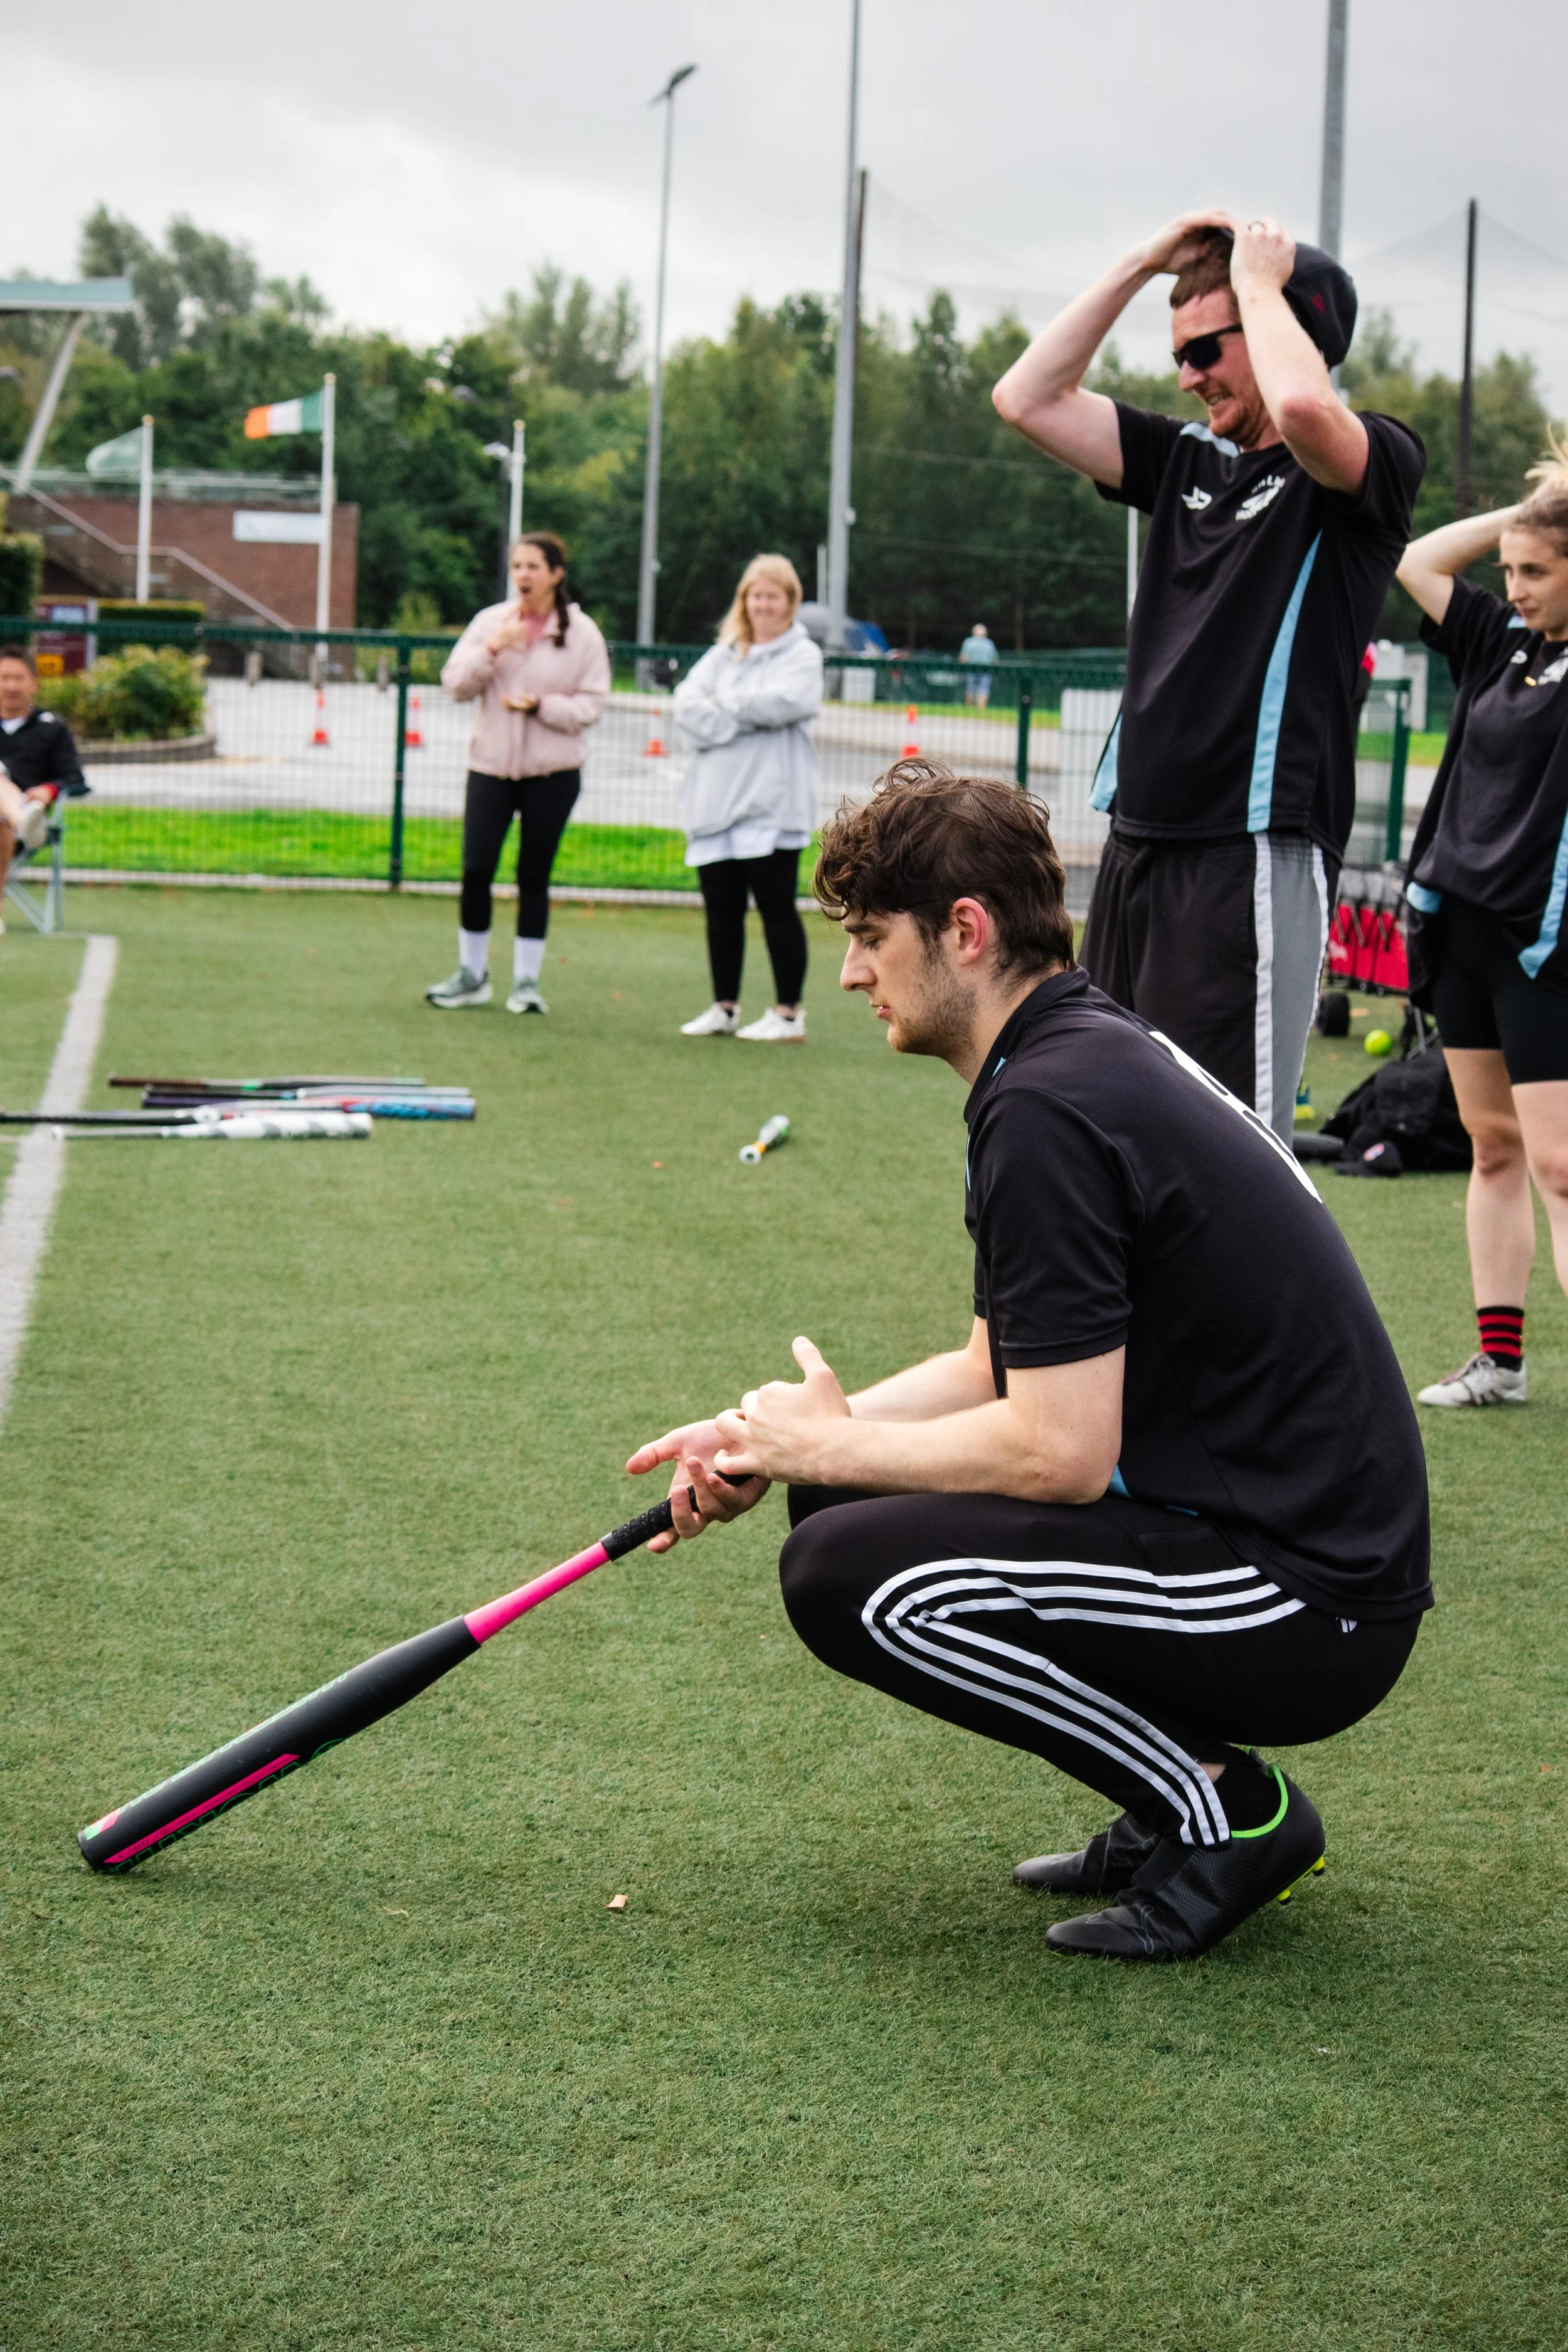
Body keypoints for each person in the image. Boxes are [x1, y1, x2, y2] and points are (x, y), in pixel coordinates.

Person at [627, 765, 1430, 1963]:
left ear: (964, 930)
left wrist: (831, 1442)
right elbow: (997, 1363)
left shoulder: (1051, 1105)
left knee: (851, 1574)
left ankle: (1227, 1817)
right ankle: (1170, 1794)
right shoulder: (1063, 1056)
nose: (851, 973)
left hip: (1311, 1595)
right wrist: (760, 1440)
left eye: (868, 939)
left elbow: (1060, 1453)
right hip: (1267, 1536)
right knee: (836, 1497)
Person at [992, 214, 1426, 1143]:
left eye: (1205, 349)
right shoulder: (1188, 458)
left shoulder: (1370, 461)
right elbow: (1025, 397)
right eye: (1177, 352)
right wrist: (1142, 262)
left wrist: (1262, 284)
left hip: (1249, 848)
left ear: (1284, 330)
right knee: (1100, 1124)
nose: (1186, 377)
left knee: (1228, 1154)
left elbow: (1307, 413)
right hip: (1137, 844)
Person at [1394, 449, 1568, 1408]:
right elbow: (1418, 560)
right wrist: (1529, 512)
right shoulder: (1500, 639)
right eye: (1509, 570)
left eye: (1536, 571)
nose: (1515, 586)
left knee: (1560, 1163)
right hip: (1461, 928)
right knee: (1492, 1143)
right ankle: (1499, 1361)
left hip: (1546, 941)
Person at [425, 532, 610, 1014]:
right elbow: (454, 684)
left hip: (553, 772)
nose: (523, 575)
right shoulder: (491, 623)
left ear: (555, 574)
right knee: (475, 869)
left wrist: (542, 707)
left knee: (533, 874)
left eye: (533, 566)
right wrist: (491, 650)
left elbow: (593, 703)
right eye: (517, 566)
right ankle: (472, 975)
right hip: (490, 767)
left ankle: (526, 984)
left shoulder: (583, 634)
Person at [674, 554, 823, 1043]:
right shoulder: (725, 653)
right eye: (754, 595)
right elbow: (686, 705)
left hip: (771, 805)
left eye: (771, 596)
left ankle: (787, 1013)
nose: (762, 605)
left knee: (776, 905)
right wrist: (740, 716)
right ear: (744, 600)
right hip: (716, 804)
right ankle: (725, 1007)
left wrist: (726, 708)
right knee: (721, 907)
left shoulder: (803, 655)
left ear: (789, 602)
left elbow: (789, 703)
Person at [0, 644, 88, 930]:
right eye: (4, 678)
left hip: (29, 820)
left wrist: (49, 790)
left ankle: (19, 820)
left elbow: (74, 778)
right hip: (20, 822)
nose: (11, 685)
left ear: (34, 683)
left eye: (19, 677)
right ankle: (19, 819)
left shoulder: (53, 729)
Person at [958, 621, 999, 707]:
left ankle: (969, 710)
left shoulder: (969, 642)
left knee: (970, 690)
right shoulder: (989, 643)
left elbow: (963, 658)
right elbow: (994, 659)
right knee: (984, 690)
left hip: (971, 669)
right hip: (986, 670)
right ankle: (981, 711)